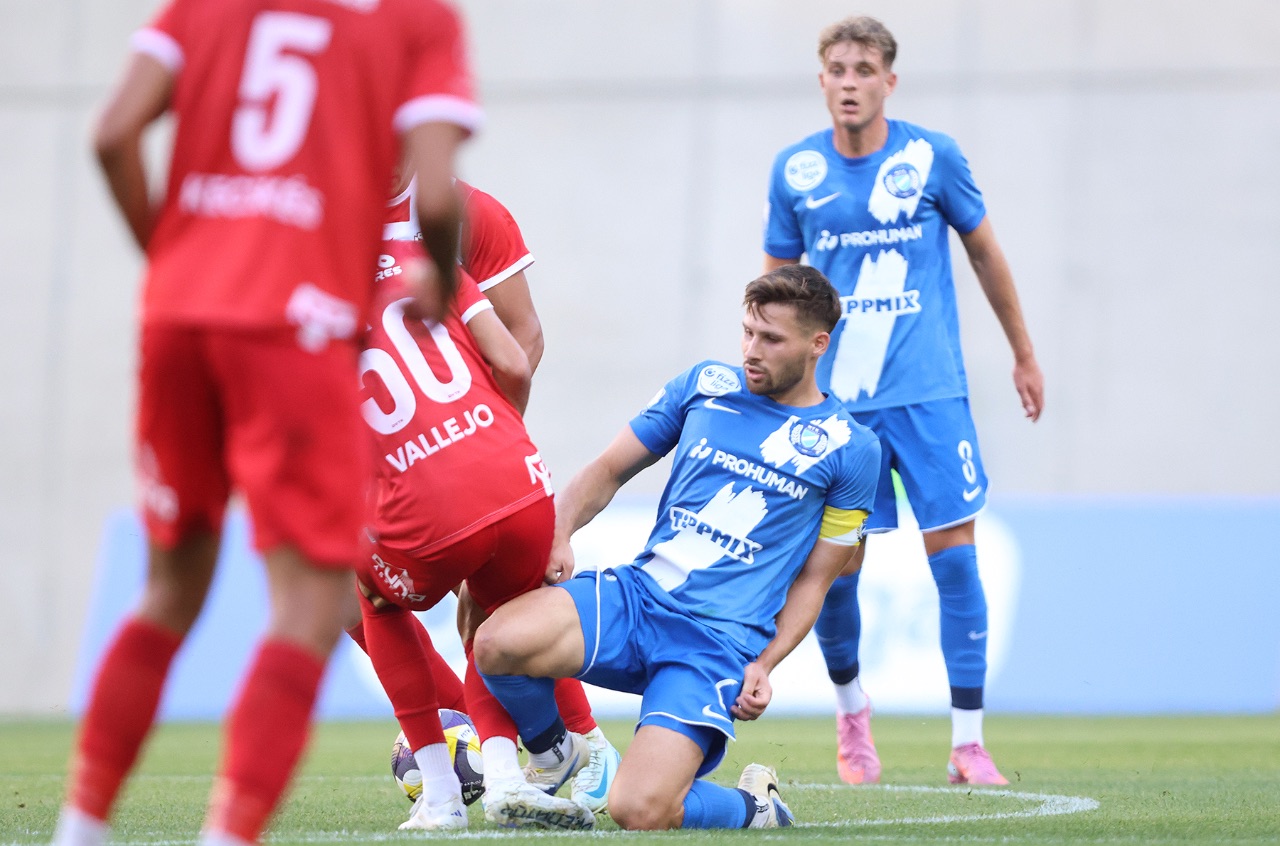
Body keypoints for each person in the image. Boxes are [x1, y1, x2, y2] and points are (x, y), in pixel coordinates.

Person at [54, 2, 478, 845]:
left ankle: (81, 825)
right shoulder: (415, 18)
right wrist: (436, 275)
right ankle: (229, 833)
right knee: (312, 604)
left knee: (169, 590)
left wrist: (171, 259)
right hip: (298, 323)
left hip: (179, 320)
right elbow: (435, 195)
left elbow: (111, 134)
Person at [473, 265, 882, 830]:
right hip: (639, 599)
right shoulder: (704, 386)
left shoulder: (852, 449)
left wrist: (764, 663)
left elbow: (817, 578)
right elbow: (609, 468)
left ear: (818, 345)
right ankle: (555, 750)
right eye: (747, 332)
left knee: (638, 810)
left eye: (771, 339)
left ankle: (757, 807)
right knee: (495, 641)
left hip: (715, 644)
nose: (751, 351)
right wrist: (559, 533)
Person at [762, 15, 1045, 786]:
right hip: (839, 407)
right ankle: (852, 712)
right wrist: (769, 389)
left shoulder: (931, 157)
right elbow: (775, 294)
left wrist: (1023, 353)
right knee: (837, 567)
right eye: (838, 70)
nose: (850, 83)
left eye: (864, 70)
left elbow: (985, 253)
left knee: (955, 558)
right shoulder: (796, 172)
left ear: (889, 80)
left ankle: (968, 744)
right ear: (822, 79)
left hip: (928, 395)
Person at [351, 188, 619, 832]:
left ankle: (446, 792)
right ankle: (512, 767)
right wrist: (491, 444)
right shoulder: (430, 256)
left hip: (417, 493)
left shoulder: (302, 291)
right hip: (513, 471)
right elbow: (511, 363)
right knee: (499, 616)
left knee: (372, 601)